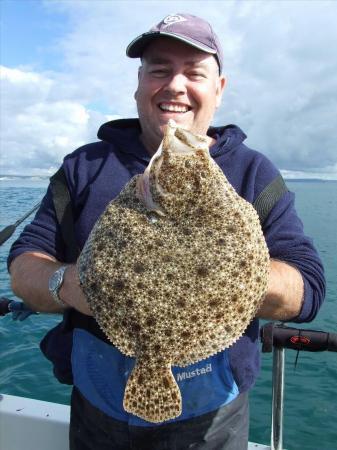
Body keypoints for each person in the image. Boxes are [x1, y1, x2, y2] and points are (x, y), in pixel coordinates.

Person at [8, 13, 325, 450]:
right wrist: (70, 283)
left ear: (219, 88)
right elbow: (25, 263)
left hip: (213, 423)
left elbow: (308, 289)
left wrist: (231, 276)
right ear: (139, 82)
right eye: (160, 69)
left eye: (194, 72)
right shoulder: (82, 168)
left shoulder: (254, 173)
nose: (176, 85)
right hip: (97, 412)